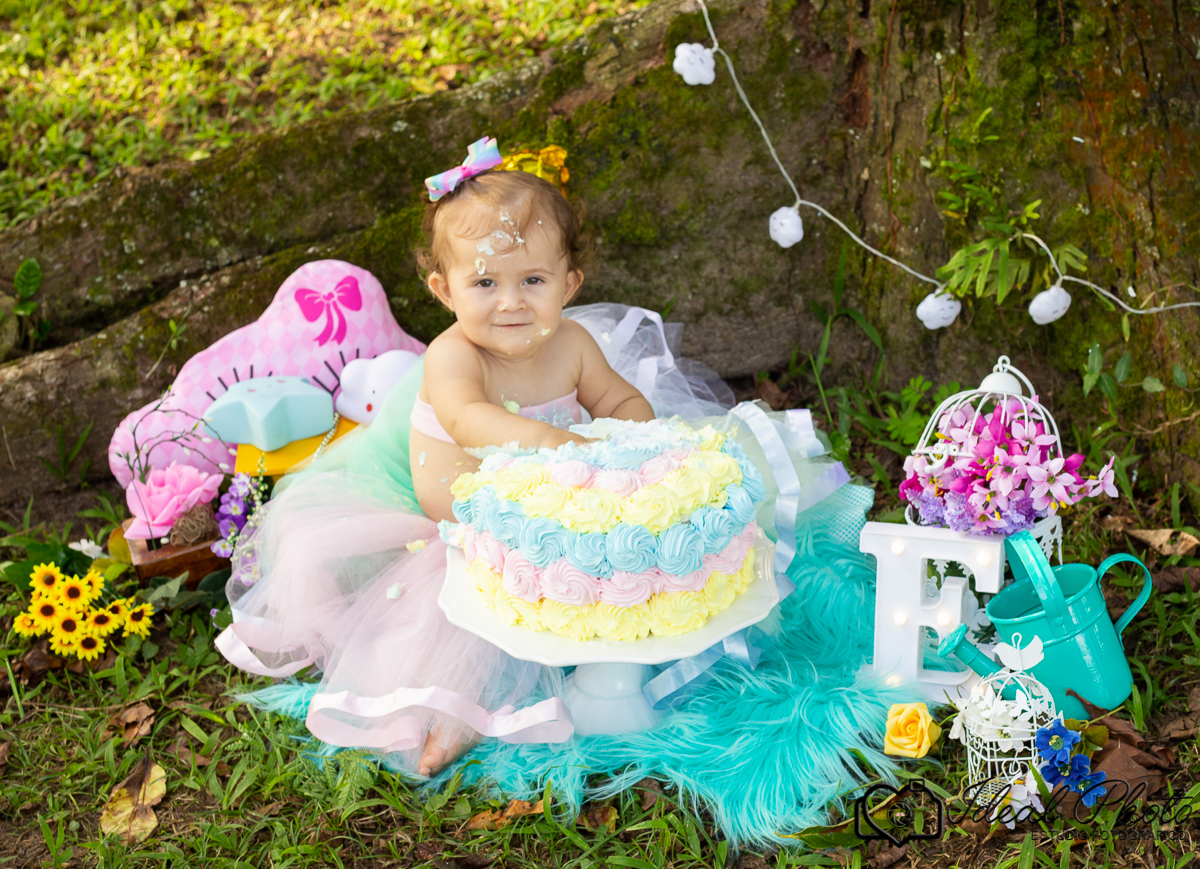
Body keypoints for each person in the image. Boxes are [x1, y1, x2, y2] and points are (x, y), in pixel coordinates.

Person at [217, 140, 710, 777]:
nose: (510, 302)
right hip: (450, 512)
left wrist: (638, 441)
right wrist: (553, 446)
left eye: (533, 281)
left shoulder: (574, 343)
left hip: (538, 497)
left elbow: (616, 397)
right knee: (454, 622)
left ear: (571, 283)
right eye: (484, 283)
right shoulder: (455, 355)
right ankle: (443, 723)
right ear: (442, 289)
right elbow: (467, 420)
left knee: (612, 578)